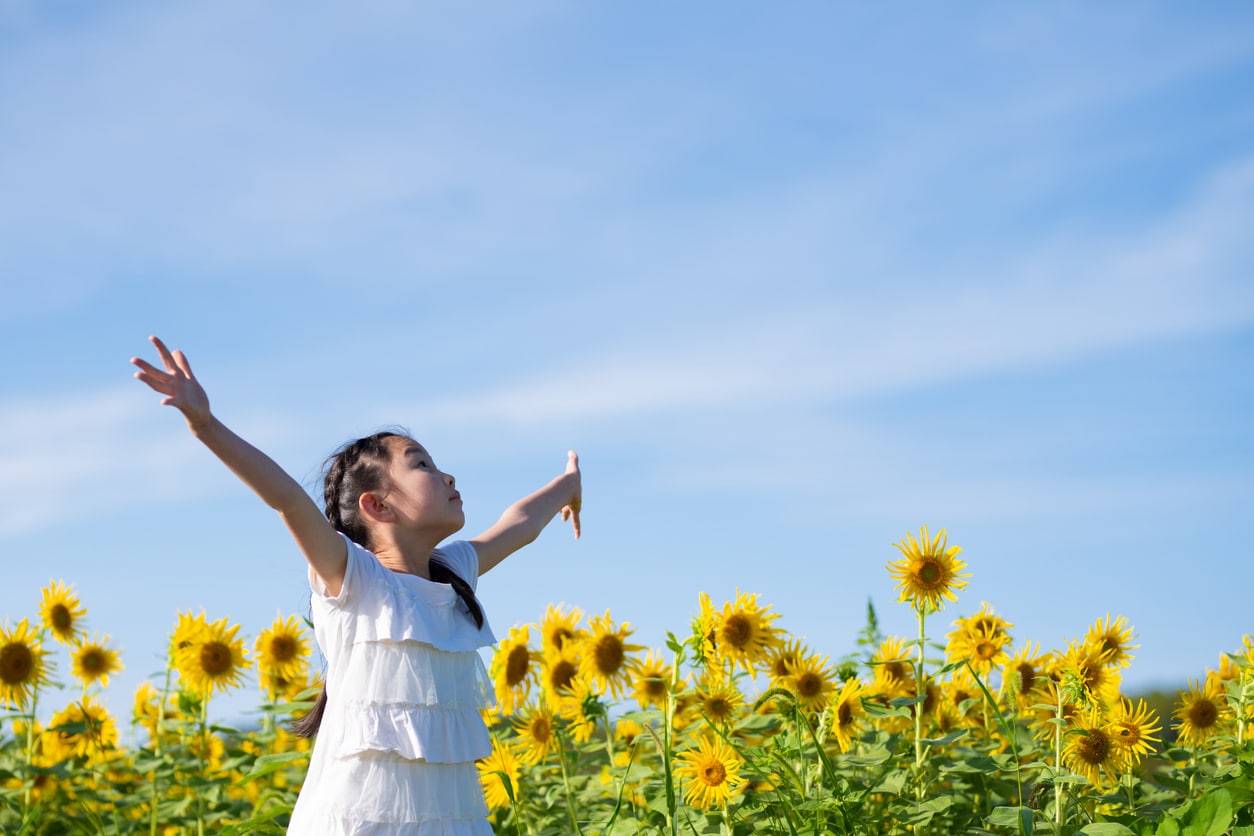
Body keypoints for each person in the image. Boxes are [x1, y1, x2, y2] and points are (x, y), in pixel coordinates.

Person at [131, 336, 581, 835]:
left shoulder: (453, 573)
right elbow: (285, 497)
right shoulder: (354, 578)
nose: (448, 475)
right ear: (377, 506)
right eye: (422, 464)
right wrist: (206, 425)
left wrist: (567, 486)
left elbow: (518, 524)